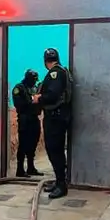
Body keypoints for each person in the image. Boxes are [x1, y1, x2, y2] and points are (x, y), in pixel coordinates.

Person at [33, 48, 73, 198]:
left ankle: (61, 185)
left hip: (56, 118)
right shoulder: (62, 71)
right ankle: (59, 181)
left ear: (45, 61)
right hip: (59, 117)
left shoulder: (55, 73)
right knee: (56, 150)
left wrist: (39, 98)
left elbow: (52, 95)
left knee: (54, 150)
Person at [12, 69, 43, 178]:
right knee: (23, 144)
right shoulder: (19, 88)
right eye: (33, 80)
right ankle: (20, 169)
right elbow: (19, 104)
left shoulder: (35, 88)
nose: (35, 82)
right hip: (24, 119)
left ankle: (31, 167)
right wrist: (31, 99)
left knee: (33, 143)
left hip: (34, 118)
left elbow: (38, 102)